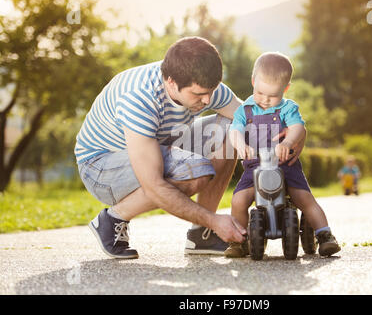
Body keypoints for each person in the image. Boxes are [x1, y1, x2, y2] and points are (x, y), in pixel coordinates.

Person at [75, 37, 304, 259]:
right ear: (171, 82)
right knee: (193, 171)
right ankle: (112, 219)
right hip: (101, 167)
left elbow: (252, 119)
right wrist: (213, 220)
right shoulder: (140, 99)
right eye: (198, 94)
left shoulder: (203, 84)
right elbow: (153, 184)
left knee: (232, 126)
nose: (206, 100)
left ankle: (200, 236)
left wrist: (295, 136)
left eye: (211, 91)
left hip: (161, 143)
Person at [224, 52, 341, 258]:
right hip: (255, 167)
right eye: (260, 93)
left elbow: (297, 127)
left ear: (285, 89)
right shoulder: (245, 110)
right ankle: (239, 241)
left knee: (304, 199)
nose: (266, 101)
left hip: (285, 165)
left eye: (273, 96)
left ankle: (325, 236)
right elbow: (235, 130)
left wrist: (288, 141)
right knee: (238, 201)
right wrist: (241, 144)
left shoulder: (288, 108)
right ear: (253, 82)